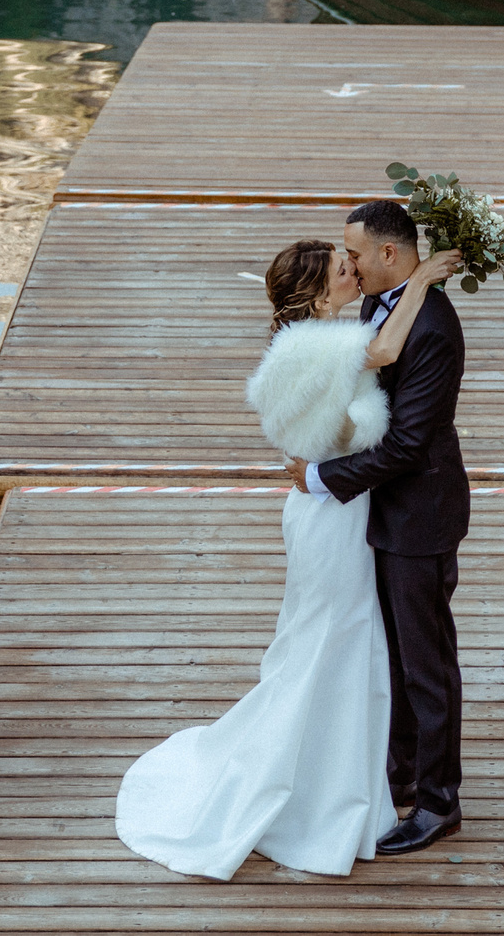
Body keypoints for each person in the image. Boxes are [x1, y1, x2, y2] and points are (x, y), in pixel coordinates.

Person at [113, 232, 461, 879]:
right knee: (329, 640)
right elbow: (384, 352)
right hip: (332, 517)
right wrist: (421, 279)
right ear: (318, 293)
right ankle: (316, 786)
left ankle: (360, 770)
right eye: (341, 267)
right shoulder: (318, 343)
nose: (353, 269)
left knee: (346, 643)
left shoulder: (319, 335)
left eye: (352, 259)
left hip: (340, 509)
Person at [291, 198, 469, 857]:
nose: (350, 264)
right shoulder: (378, 302)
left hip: (420, 513)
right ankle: (400, 775)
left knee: (426, 663)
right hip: (381, 511)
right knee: (392, 656)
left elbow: (409, 443)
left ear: (389, 253)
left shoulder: (434, 328)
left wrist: (320, 478)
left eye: (355, 253)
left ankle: (439, 802)